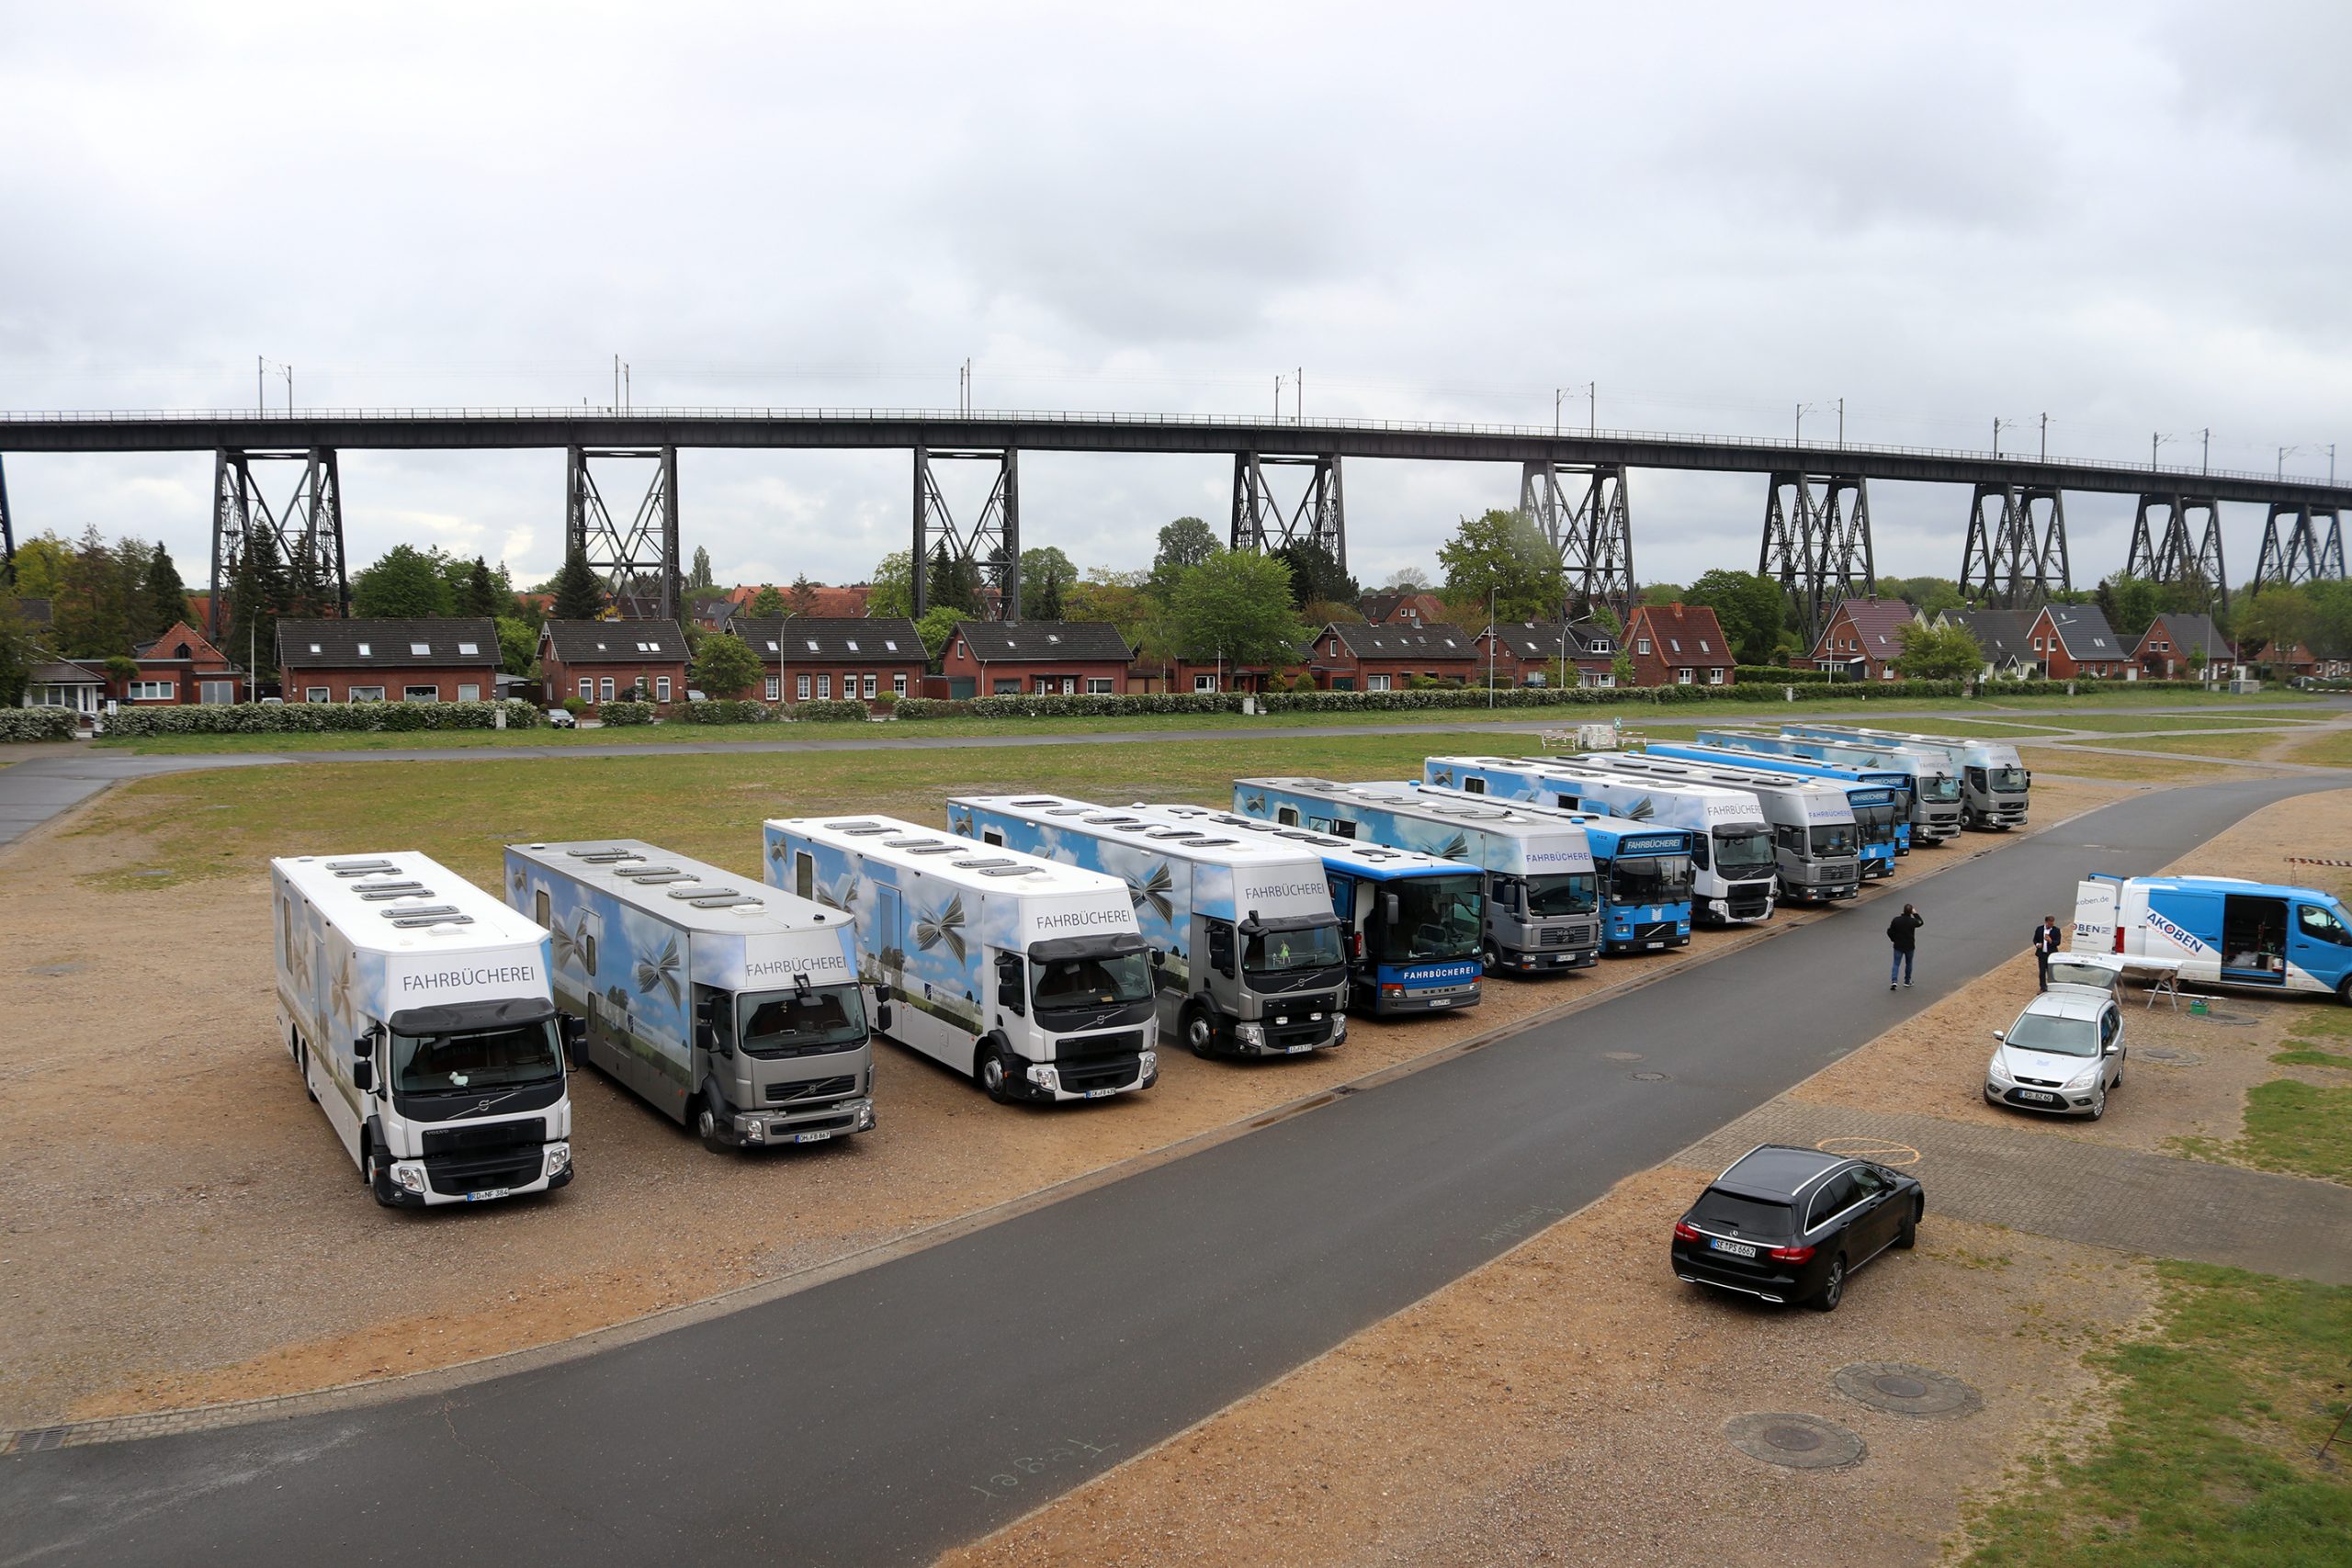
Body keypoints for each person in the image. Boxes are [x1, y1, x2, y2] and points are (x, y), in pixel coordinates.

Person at [1886, 903, 1923, 989]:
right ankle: (1907, 981)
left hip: (1898, 945)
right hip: (1909, 945)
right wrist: (1915, 914)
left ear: (1903, 910)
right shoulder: (1913, 921)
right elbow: (1921, 922)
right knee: (1909, 963)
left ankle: (1894, 981)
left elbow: (1890, 931)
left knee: (1896, 963)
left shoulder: (1896, 920)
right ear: (1911, 912)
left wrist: (1893, 939)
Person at [2032, 914, 2064, 991]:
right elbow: (2035, 939)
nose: (2051, 924)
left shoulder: (2056, 930)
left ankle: (2052, 987)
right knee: (2042, 972)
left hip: (2051, 955)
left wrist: (2050, 941)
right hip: (2042, 954)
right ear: (2046, 922)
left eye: (2052, 923)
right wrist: (2037, 944)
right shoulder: (2039, 929)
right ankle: (2043, 987)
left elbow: (2058, 942)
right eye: (2050, 923)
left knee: (2051, 972)